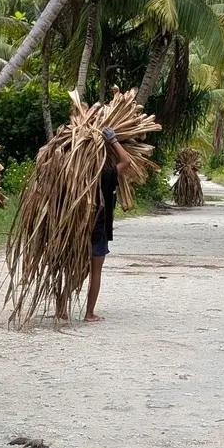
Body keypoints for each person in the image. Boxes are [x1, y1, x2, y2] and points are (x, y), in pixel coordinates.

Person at [84, 126, 131, 322]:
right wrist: (113, 140)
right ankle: (89, 313)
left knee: (73, 268)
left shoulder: (74, 177)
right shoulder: (106, 176)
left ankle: (61, 309)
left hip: (75, 230)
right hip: (99, 229)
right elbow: (127, 161)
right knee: (96, 272)